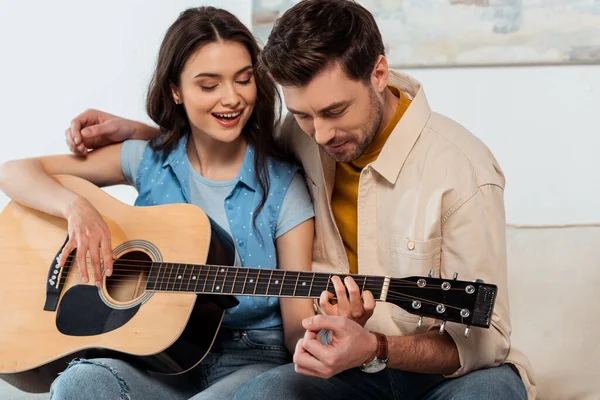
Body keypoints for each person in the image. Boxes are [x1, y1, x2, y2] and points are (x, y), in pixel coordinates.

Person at [63, 1, 537, 399]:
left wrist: (374, 346)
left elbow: (485, 341)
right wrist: (153, 138)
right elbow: (231, 156)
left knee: (491, 390)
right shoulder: (302, 134)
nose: (323, 134)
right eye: (304, 115)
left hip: (435, 374)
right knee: (263, 393)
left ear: (378, 73)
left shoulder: (464, 172)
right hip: (344, 370)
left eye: (335, 111)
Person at [0, 7, 319, 400]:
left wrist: (328, 333)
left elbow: (296, 327)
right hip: (155, 360)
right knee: (77, 383)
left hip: (251, 360)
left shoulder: (284, 186)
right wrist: (76, 209)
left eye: (244, 80)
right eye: (208, 85)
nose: (231, 98)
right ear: (175, 90)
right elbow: (13, 172)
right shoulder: (147, 160)